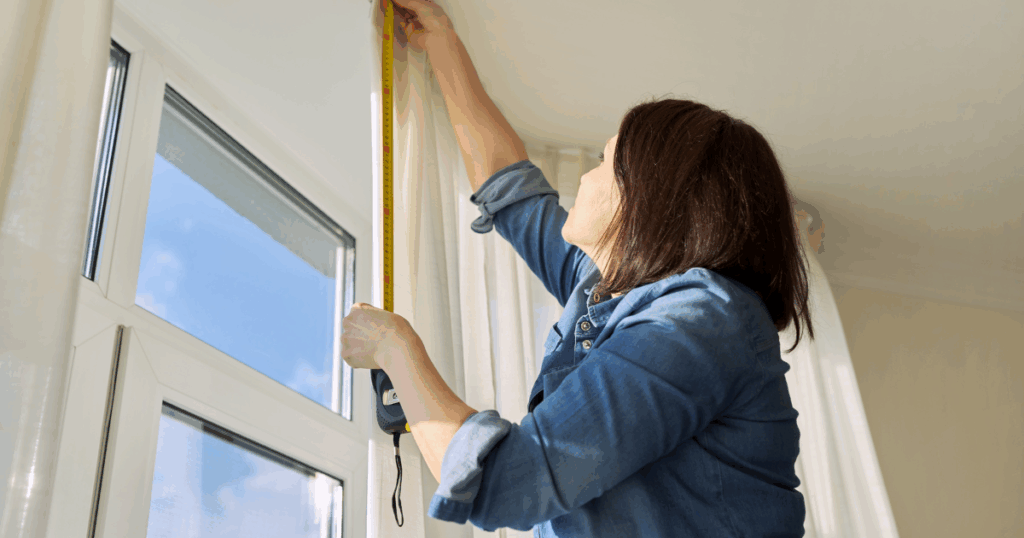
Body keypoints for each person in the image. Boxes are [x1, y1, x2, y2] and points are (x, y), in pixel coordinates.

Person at [341, 1, 812, 536]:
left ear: (649, 199)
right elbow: (511, 190)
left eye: (604, 162)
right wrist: (443, 45)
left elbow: (505, 483)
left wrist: (396, 350)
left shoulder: (698, 319)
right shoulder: (604, 291)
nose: (585, 180)